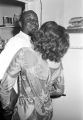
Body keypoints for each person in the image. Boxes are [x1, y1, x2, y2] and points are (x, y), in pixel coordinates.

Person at [0, 21, 69, 120]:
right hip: (47, 112)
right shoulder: (57, 61)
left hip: (25, 113)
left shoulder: (25, 53)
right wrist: (43, 92)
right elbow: (59, 90)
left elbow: (5, 86)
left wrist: (7, 107)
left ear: (41, 36)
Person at [0, 10, 39, 81]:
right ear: (21, 24)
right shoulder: (16, 42)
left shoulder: (33, 41)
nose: (34, 22)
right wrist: (10, 91)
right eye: (29, 19)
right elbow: (1, 70)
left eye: (36, 20)